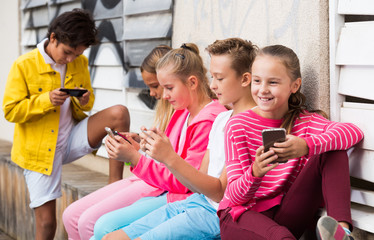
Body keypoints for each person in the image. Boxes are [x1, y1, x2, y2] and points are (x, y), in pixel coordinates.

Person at [101, 38, 258, 240]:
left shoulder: (247, 125)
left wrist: (168, 157)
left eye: (219, 78)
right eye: (212, 77)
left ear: (245, 79)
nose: (212, 85)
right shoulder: (222, 118)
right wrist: (155, 149)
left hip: (216, 214)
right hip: (198, 202)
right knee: (110, 237)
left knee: (108, 229)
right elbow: (199, 182)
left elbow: (219, 193)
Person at [1, 9, 131, 240]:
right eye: (67, 52)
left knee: (119, 113)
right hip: (40, 152)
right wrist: (45, 100)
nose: (71, 59)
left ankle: (114, 186)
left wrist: (84, 99)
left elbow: (87, 103)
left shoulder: (78, 62)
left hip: (70, 138)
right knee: (47, 223)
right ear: (53, 38)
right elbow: (10, 111)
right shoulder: (24, 65)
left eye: (77, 54)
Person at [218, 45, 364, 240]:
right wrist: (255, 172)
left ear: (294, 86)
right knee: (282, 237)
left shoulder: (306, 122)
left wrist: (305, 146)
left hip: (284, 213)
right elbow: (235, 197)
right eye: (257, 81)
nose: (263, 89)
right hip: (242, 216)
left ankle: (342, 233)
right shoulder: (237, 126)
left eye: (273, 82)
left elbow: (354, 133)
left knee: (333, 149)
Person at [62, 45, 175, 240]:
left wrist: (135, 155)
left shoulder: (187, 112)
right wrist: (140, 143)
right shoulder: (168, 111)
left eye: (155, 86)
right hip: (146, 177)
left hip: (158, 184)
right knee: (70, 215)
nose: (153, 93)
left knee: (90, 222)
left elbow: (173, 163)